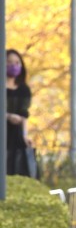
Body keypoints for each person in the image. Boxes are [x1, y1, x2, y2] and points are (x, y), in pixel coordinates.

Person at [5, 49, 34, 177]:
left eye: (17, 62)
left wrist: (25, 136)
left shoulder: (24, 89)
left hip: (16, 135)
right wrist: (7, 116)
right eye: (9, 62)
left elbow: (24, 114)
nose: (13, 65)